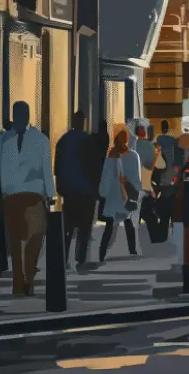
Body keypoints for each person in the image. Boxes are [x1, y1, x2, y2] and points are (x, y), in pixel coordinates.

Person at [0, 101, 55, 296]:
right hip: (19, 198)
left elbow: (46, 170)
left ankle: (24, 281)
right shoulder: (6, 140)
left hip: (27, 197)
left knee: (26, 240)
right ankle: (23, 281)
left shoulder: (35, 140)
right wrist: (50, 195)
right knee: (21, 241)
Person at [56, 111, 99, 271]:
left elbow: (57, 166)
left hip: (69, 190)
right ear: (83, 123)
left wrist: (61, 186)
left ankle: (64, 256)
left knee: (68, 227)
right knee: (84, 227)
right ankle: (80, 258)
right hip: (86, 191)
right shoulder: (89, 141)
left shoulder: (63, 141)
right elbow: (94, 167)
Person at [98, 125, 142, 261]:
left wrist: (103, 192)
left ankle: (102, 253)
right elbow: (137, 178)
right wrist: (135, 191)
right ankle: (132, 250)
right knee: (128, 221)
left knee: (109, 226)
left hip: (113, 197)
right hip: (126, 195)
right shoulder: (133, 155)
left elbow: (105, 178)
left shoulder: (110, 156)